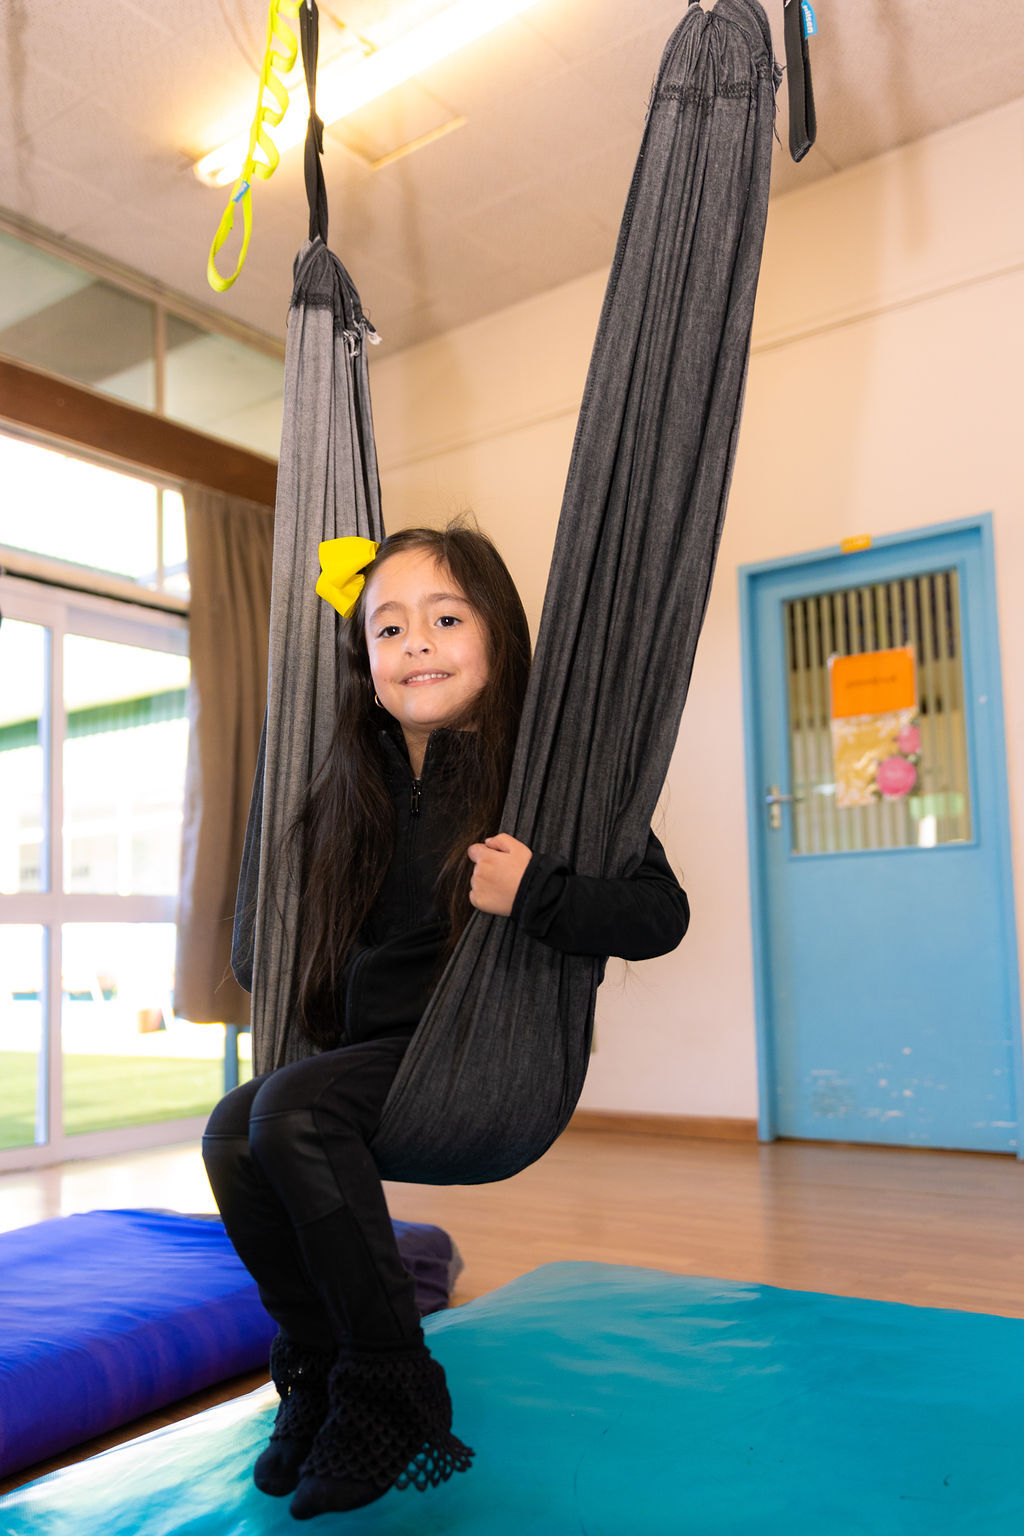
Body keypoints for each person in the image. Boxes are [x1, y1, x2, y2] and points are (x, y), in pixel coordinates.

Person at [202, 521, 690, 1521]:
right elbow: (273, 954)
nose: (414, 642)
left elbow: (659, 915)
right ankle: (325, 1368)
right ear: (365, 662)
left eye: (445, 617)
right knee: (232, 1128)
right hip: (367, 1062)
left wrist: (543, 892)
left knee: (291, 1112)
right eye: (387, 628)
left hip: (479, 1059)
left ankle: (391, 1381)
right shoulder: (346, 781)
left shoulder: (546, 782)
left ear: (497, 639)